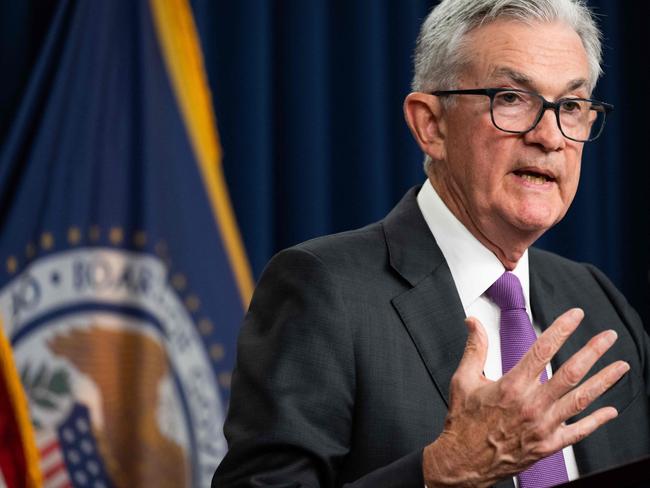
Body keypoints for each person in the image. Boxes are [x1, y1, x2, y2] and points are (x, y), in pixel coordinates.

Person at [213, 1, 650, 486]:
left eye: (571, 106)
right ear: (431, 125)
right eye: (511, 97)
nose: (550, 137)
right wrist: (442, 470)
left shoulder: (597, 299)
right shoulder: (324, 290)